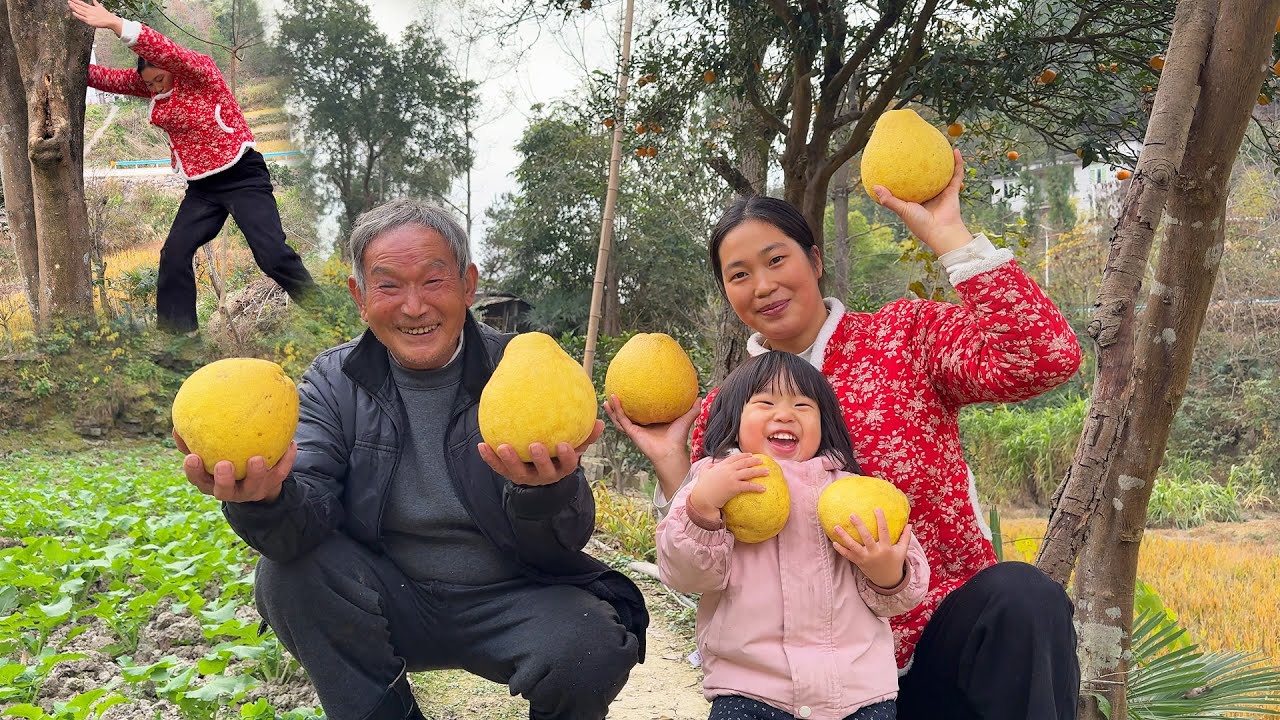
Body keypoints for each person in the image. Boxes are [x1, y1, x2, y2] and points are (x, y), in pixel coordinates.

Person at [607, 152, 1083, 719]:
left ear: (814, 260)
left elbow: (1046, 357)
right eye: (739, 275)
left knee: (1025, 598)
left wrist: (949, 234)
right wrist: (671, 464)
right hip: (800, 690)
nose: (763, 285)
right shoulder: (724, 410)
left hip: (939, 648)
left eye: (776, 259)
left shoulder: (903, 338)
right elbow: (704, 568)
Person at [174, 199, 647, 720]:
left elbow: (565, 540)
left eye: (433, 281)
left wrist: (545, 492)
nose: (414, 306)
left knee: (589, 646)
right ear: (359, 297)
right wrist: (264, 501)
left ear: (468, 285)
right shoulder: (334, 383)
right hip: (392, 599)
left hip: (515, 597)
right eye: (389, 285)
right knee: (287, 577)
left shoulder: (527, 377)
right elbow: (301, 526)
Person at [659, 351, 929, 720]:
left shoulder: (856, 492)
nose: (785, 414)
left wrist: (887, 575)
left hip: (857, 695)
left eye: (803, 405)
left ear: (824, 423)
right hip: (750, 690)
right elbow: (685, 576)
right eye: (766, 402)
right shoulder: (712, 484)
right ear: (734, 419)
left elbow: (904, 595)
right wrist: (703, 507)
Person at [70, 0, 314, 334]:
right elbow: (104, 78)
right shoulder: (151, 85)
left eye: (160, 79)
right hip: (202, 189)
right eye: (150, 84)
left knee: (272, 256)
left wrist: (115, 23)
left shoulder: (199, 72)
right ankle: (179, 339)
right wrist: (58, 63)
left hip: (242, 175)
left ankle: (328, 311)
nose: (156, 88)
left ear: (172, 68)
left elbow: (165, 50)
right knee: (173, 255)